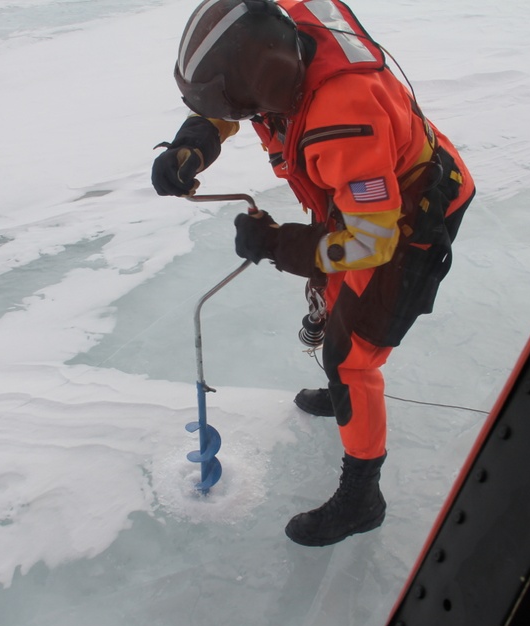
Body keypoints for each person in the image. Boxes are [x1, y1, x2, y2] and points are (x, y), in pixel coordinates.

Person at [152, 0, 475, 547]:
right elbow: (241, 86)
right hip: (366, 188)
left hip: (412, 215)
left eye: (251, 112)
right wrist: (193, 143)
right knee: (332, 292)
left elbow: (372, 243)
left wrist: (277, 243)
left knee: (350, 355)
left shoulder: (342, 119)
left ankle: (361, 497)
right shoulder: (281, 35)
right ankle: (341, 392)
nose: (248, 119)